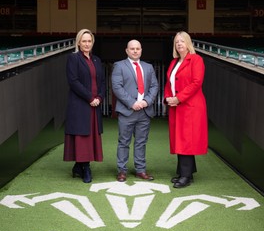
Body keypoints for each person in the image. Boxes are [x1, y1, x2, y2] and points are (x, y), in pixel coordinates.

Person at [164, 31, 208, 188]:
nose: (179, 44)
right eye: (176, 42)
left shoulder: (196, 60)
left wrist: (179, 98)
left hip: (191, 106)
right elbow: (169, 82)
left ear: (188, 43)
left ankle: (186, 176)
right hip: (177, 107)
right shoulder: (174, 62)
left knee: (186, 140)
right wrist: (168, 98)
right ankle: (186, 172)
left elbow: (196, 83)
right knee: (180, 139)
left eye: (182, 41)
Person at [111, 39, 159, 182]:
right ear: (127, 50)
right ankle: (122, 171)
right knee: (124, 142)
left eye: (138, 48)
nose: (135, 51)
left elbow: (154, 86)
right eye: (132, 48)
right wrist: (132, 103)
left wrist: (146, 101)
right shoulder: (119, 66)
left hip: (144, 111)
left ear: (141, 50)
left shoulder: (148, 67)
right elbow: (117, 87)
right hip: (127, 110)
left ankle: (140, 170)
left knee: (141, 142)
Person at [63, 29, 105, 183]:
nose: (87, 44)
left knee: (90, 136)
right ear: (79, 43)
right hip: (80, 105)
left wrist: (99, 97)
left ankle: (78, 167)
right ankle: (85, 167)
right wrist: (90, 98)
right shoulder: (73, 58)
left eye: (89, 41)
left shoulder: (97, 60)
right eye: (84, 41)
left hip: (95, 105)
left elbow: (101, 82)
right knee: (82, 137)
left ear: (92, 43)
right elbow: (73, 81)